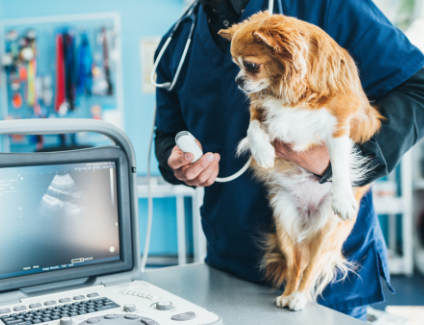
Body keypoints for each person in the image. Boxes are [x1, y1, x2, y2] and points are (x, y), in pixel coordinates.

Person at [154, 0, 424, 321]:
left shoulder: (329, 6)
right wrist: (175, 159)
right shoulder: (175, 43)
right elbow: (168, 134)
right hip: (229, 265)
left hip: (328, 275)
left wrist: (338, 162)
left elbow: (417, 87)